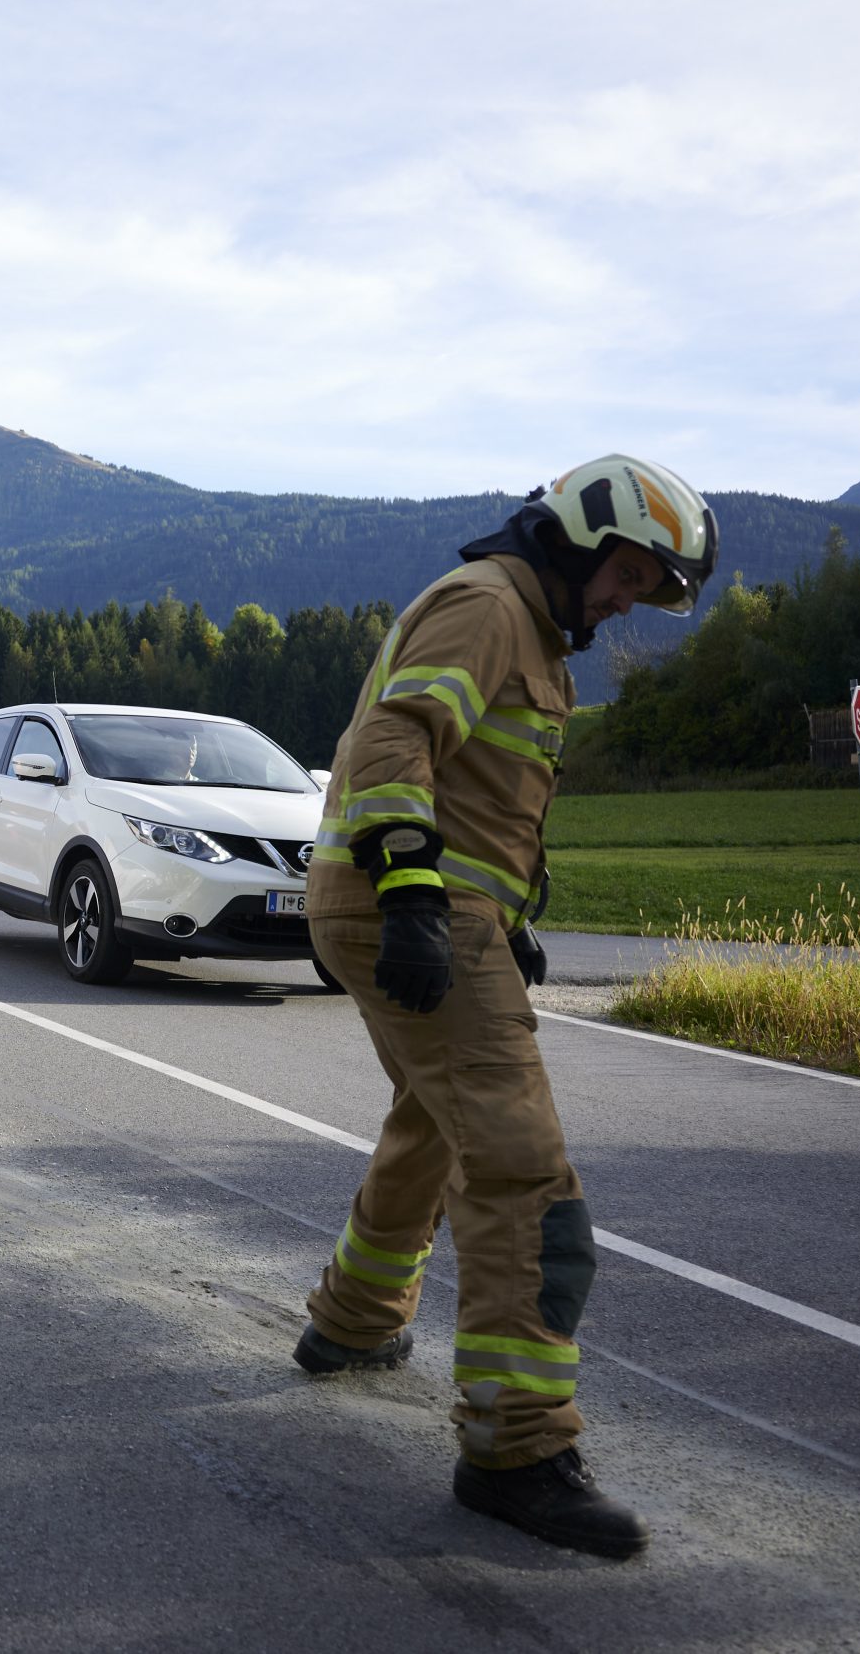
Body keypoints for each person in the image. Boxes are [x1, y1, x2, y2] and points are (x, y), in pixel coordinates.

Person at [297, 454, 718, 1560]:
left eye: (645, 590)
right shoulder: (488, 606)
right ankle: (516, 1448)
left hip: (430, 902)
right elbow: (396, 744)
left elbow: (479, 788)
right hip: (404, 901)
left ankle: (351, 1321)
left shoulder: (525, 625)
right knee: (524, 1169)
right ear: (578, 542)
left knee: (435, 1121)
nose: (627, 603)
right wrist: (414, 895)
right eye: (627, 576)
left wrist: (493, 906)